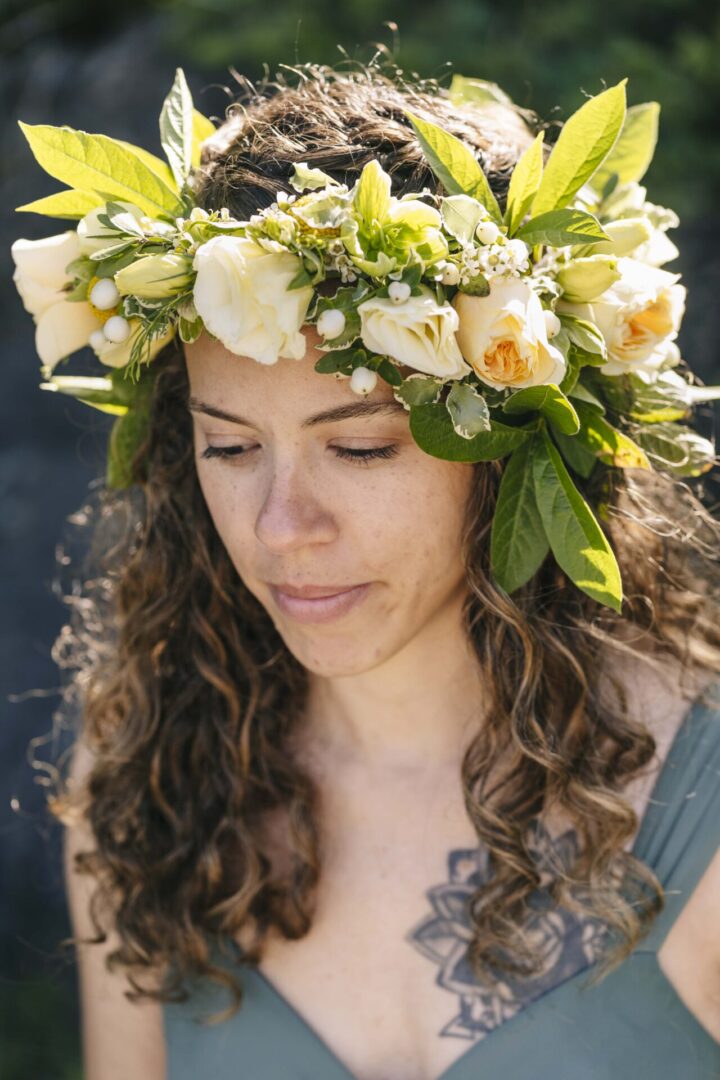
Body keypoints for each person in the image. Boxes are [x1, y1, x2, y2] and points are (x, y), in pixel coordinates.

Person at [16, 59, 720, 1079]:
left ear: (511, 438)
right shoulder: (144, 788)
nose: (283, 525)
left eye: (360, 449)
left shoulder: (698, 808)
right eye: (231, 447)